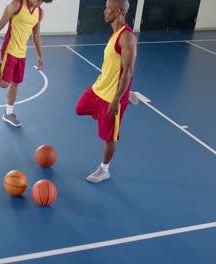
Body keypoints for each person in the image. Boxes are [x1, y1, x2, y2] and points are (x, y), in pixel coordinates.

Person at [75, 0, 137, 183]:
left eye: (108, 8)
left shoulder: (127, 37)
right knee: (79, 108)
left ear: (118, 11)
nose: (104, 11)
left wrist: (117, 98)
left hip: (113, 97)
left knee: (108, 136)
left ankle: (104, 170)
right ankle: (127, 91)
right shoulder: (114, 33)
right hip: (99, 88)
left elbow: (129, 70)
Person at [0, 0, 53, 127]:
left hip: (22, 52)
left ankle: (8, 113)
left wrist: (40, 55)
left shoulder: (39, 13)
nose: (38, 3)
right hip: (10, 48)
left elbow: (36, 35)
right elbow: (1, 24)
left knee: (15, 83)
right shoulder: (16, 5)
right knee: (3, 83)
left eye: (41, 1)